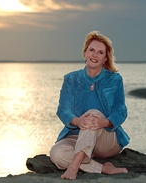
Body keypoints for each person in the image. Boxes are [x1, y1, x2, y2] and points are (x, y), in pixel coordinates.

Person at [50, 31, 130, 180]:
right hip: (77, 134)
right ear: (85, 53)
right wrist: (77, 121)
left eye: (100, 52)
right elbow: (63, 110)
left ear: (105, 58)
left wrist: (104, 122)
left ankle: (74, 166)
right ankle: (102, 168)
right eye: (91, 50)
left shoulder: (114, 79)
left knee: (92, 113)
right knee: (56, 154)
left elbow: (121, 111)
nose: (95, 55)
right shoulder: (70, 79)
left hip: (106, 137)